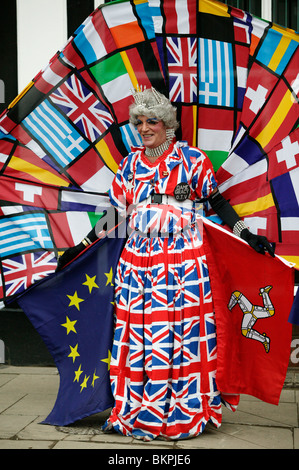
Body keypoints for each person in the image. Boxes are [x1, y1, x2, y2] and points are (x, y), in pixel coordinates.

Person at [57, 87, 274, 441]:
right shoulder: (128, 166)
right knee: (142, 335)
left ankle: (189, 408)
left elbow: (217, 201)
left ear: (168, 124)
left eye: (151, 121)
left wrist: (247, 235)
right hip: (139, 267)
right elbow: (115, 217)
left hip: (186, 263)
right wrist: (79, 247)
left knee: (186, 334)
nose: (143, 128)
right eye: (138, 121)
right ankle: (141, 407)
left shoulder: (192, 160)